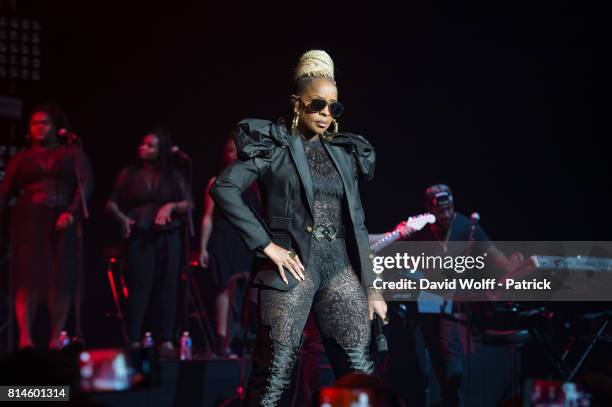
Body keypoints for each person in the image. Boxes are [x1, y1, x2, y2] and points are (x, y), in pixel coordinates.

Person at [210, 50, 388, 406]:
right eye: (317, 105)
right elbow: (223, 188)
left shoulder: (343, 153)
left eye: (333, 107)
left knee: (361, 379)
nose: (325, 114)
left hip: (339, 269)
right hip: (292, 270)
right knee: (274, 380)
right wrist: (265, 245)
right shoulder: (274, 146)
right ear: (297, 103)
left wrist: (372, 288)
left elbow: (357, 223)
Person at [393, 184, 522, 406]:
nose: (445, 214)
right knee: (434, 349)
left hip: (454, 297)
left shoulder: (466, 225)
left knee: (448, 343)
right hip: (427, 298)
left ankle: (453, 398)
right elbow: (403, 257)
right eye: (440, 210)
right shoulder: (423, 228)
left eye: (449, 209)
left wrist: (510, 264)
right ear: (429, 208)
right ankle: (448, 397)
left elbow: (492, 253)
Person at [0, 103, 93, 349]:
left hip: (62, 221)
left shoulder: (72, 153)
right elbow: (5, 192)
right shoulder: (21, 158)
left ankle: (55, 338)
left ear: (55, 127)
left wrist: (71, 213)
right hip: (28, 222)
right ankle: (25, 339)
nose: (40, 127)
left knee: (60, 279)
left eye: (45, 123)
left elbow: (85, 186)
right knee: (27, 279)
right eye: (35, 123)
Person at [106, 129, 193, 350]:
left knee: (169, 285)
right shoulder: (130, 173)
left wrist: (170, 206)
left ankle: (166, 339)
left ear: (161, 149)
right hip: (140, 234)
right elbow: (111, 203)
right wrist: (122, 219)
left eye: (150, 145)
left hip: (168, 234)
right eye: (143, 144)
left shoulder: (174, 175)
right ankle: (134, 338)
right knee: (139, 285)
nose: (143, 148)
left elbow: (188, 203)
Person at [199, 137, 260, 357]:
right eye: (229, 151)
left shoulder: (253, 183)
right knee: (225, 287)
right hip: (224, 237)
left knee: (249, 289)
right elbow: (207, 217)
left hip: (246, 240)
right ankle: (222, 341)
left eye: (236, 151)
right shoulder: (217, 181)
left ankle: (246, 338)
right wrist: (203, 248)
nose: (232, 155)